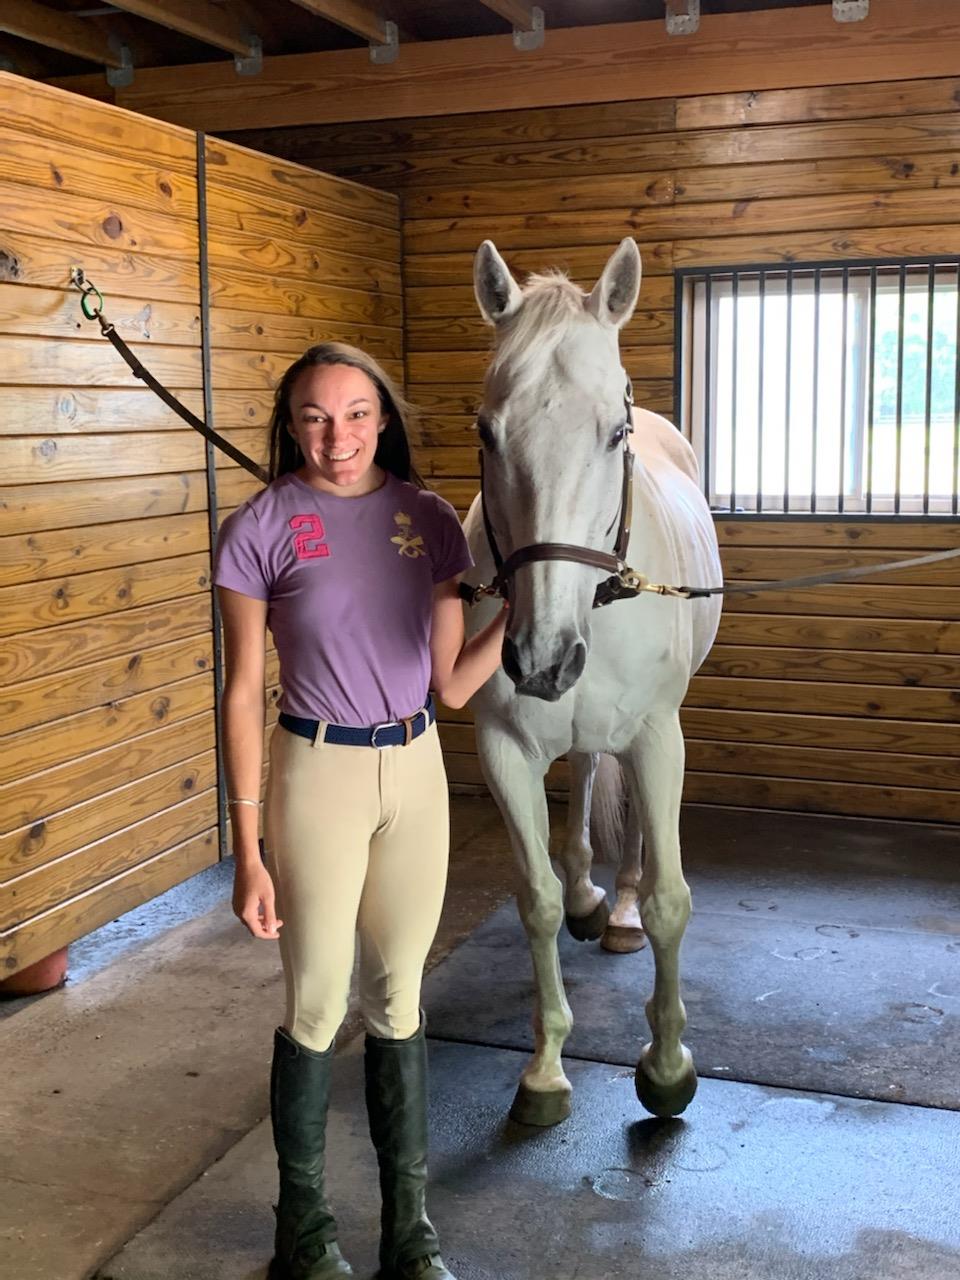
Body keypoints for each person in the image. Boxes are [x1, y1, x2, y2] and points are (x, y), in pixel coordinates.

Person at [213, 342, 507, 1280]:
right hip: (316, 770)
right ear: (290, 424)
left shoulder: (427, 522)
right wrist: (249, 845)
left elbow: (455, 684)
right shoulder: (259, 526)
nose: (335, 435)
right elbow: (243, 689)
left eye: (353, 413)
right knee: (316, 999)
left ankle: (407, 1230)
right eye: (313, 415)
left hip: (415, 768)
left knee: (400, 995)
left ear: (383, 418)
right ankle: (303, 1230)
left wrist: (534, 606)